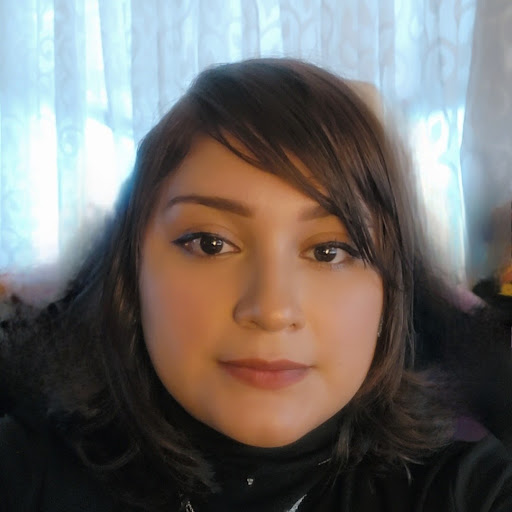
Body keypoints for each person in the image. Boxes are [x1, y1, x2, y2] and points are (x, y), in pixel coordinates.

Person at [0, 58, 511, 512]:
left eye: (329, 251)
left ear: (389, 295)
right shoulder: (30, 470)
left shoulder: (464, 488)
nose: (271, 309)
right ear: (130, 274)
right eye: (210, 244)